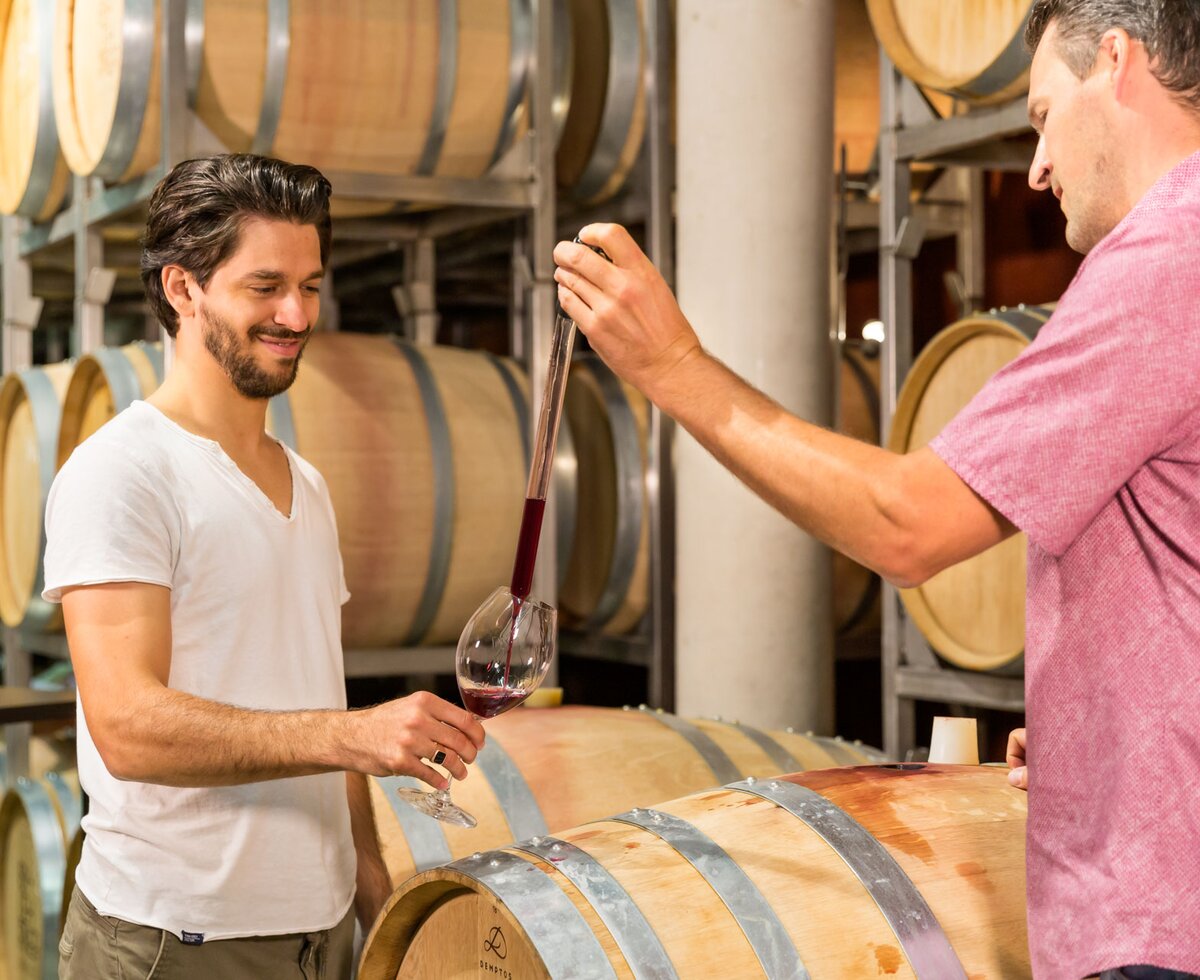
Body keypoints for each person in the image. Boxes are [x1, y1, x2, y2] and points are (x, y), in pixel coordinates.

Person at [552, 1, 1200, 977]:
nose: (1034, 167)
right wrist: (1105, 724)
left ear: (1116, 61)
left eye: (1039, 115)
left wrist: (676, 368)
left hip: (1159, 926)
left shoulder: (1165, 260)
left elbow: (910, 523)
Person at [43, 154, 486, 979]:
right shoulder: (123, 473)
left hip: (319, 939)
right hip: (173, 945)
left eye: (311, 286)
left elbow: (314, 697)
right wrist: (356, 734)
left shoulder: (306, 483)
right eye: (265, 286)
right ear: (183, 289)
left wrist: (368, 883)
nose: (295, 313)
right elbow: (128, 727)